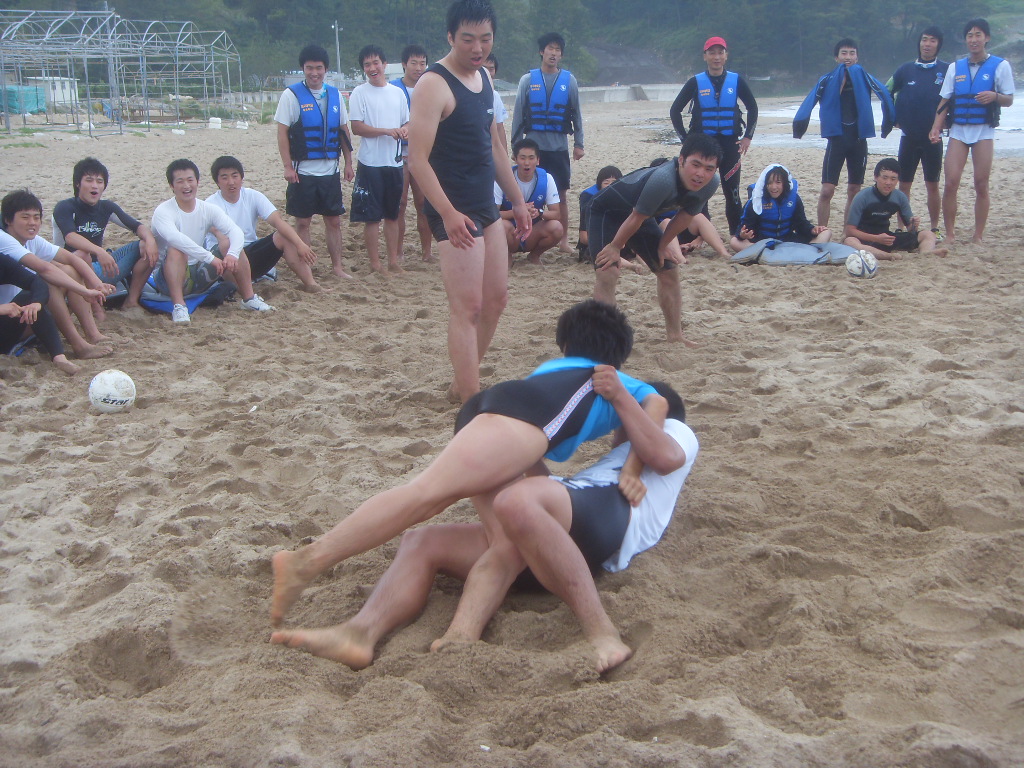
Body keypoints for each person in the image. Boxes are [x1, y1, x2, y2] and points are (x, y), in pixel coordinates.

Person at [269, 300, 666, 631]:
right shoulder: (617, 381)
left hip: (492, 409)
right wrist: (631, 470)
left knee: (504, 545)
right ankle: (307, 561)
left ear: (565, 344)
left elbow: (528, 453)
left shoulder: (550, 371)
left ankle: (377, 633)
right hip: (513, 422)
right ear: (618, 356)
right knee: (424, 496)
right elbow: (655, 421)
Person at [272, 381, 698, 674]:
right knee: (423, 541)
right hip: (564, 526)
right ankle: (360, 633)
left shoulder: (677, 430)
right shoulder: (618, 458)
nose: (617, 430)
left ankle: (602, 633)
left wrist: (628, 409)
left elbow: (663, 456)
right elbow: (550, 487)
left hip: (608, 519)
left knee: (517, 499)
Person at [406, 0, 532, 404]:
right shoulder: (433, 84)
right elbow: (416, 159)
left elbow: (493, 145)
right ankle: (471, 401)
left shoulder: (484, 79)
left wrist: (517, 200)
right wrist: (446, 213)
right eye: (468, 39)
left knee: (496, 300)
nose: (478, 48)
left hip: (485, 205)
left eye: (485, 39)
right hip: (452, 207)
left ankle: (463, 382)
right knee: (468, 307)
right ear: (450, 37)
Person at [589, 133, 722, 343]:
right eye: (695, 165)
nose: (700, 174)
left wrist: (662, 244)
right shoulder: (663, 179)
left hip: (640, 216)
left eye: (709, 168)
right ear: (681, 160)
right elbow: (635, 217)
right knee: (608, 271)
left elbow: (685, 216)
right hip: (606, 211)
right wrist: (615, 246)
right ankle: (605, 339)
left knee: (668, 271)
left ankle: (675, 336)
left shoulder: (711, 183)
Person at [150, 159, 274, 324]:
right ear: (172, 186)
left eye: (190, 180)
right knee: (177, 249)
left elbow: (235, 231)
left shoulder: (207, 209)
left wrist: (232, 254)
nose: (186, 186)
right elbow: (175, 239)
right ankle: (179, 306)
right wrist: (210, 258)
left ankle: (249, 299)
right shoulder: (163, 211)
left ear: (197, 182)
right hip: (167, 279)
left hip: (199, 274)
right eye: (180, 181)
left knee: (229, 244)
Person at [929, 18, 1015, 245]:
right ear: (965, 39)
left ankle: (978, 235)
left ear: (986, 38)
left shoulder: (1000, 65)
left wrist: (994, 96)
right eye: (970, 35)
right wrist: (936, 127)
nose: (974, 39)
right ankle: (949, 234)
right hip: (959, 130)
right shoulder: (955, 68)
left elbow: (1009, 99)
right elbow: (944, 100)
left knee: (981, 183)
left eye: (978, 35)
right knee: (951, 182)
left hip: (983, 131)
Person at [0, 189, 113, 360]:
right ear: (8, 220)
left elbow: (71, 258)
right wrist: (85, 291)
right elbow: (45, 269)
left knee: (69, 270)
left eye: (36, 217)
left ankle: (92, 334)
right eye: (25, 217)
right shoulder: (3, 239)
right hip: (10, 317)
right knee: (47, 281)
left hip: (28, 311)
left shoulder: (32, 240)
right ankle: (79, 345)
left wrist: (97, 284)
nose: (32, 223)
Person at [794, 38, 895, 228]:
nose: (848, 57)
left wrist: (889, 121)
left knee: (854, 190)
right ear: (836, 57)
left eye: (852, 53)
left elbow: (884, 94)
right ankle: (822, 230)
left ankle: (848, 232)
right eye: (844, 53)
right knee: (827, 190)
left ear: (857, 57)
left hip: (858, 139)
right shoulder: (827, 80)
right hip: (837, 140)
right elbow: (810, 101)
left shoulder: (864, 77)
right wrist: (799, 126)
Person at [275, 44, 355, 278]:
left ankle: (337, 267)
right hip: (303, 171)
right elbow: (282, 133)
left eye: (319, 68)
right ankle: (306, 268)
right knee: (303, 222)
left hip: (330, 170)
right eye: (309, 68)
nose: (314, 73)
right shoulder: (291, 95)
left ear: (326, 69)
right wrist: (287, 166)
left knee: (334, 221)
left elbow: (343, 131)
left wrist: (348, 163)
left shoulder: (335, 95)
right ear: (303, 69)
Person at [669, 36, 758, 235]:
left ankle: (736, 234)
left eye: (720, 53)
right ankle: (700, 234)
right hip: (703, 146)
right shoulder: (695, 82)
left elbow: (752, 107)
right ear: (705, 56)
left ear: (726, 56)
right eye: (712, 53)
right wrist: (685, 140)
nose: (716, 57)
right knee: (699, 192)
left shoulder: (736, 80)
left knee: (732, 193)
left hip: (729, 144)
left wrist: (747, 137)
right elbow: (675, 110)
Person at [51, 157, 160, 309]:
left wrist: (151, 241)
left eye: (99, 181)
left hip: (101, 267)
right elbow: (70, 237)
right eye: (89, 180)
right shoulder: (65, 207)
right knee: (83, 253)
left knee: (145, 246)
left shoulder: (106, 207)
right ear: (78, 183)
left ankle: (131, 300)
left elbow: (137, 226)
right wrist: (100, 251)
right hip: (72, 268)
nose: (94, 185)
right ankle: (94, 305)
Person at [510, 32, 585, 253]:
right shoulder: (527, 80)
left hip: (558, 148)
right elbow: (518, 115)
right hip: (533, 149)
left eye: (557, 50)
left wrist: (579, 144)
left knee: (561, 195)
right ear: (542, 52)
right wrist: (516, 146)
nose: (553, 53)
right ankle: (524, 233)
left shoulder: (569, 81)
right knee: (526, 194)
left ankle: (563, 241)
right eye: (550, 49)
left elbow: (576, 114)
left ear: (561, 55)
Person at [204, 156, 323, 293]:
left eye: (234, 176)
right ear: (217, 181)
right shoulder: (210, 204)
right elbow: (220, 236)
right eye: (224, 178)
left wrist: (300, 244)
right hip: (225, 260)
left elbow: (278, 222)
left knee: (284, 236)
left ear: (241, 178)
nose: (231, 182)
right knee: (227, 245)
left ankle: (311, 284)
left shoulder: (252, 196)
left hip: (249, 254)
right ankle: (241, 291)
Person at [349, 45, 411, 275]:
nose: (372, 68)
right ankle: (375, 264)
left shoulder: (397, 93)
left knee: (392, 215)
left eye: (376, 63)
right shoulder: (359, 93)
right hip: (370, 163)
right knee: (372, 217)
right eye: (367, 65)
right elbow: (357, 127)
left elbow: (407, 121)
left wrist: (404, 130)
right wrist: (386, 131)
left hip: (394, 162)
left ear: (384, 64)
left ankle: (393, 261)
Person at [887, 27, 949, 235]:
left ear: (938, 45)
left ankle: (934, 227)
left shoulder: (946, 70)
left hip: (933, 138)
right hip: (909, 137)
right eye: (924, 40)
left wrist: (949, 121)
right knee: (904, 184)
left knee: (932, 184)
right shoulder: (905, 70)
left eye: (932, 40)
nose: (927, 44)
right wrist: (893, 118)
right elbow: (886, 91)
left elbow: (953, 98)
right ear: (919, 43)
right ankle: (901, 227)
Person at [843, 158, 947, 260]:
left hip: (887, 239)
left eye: (893, 179)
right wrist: (876, 238)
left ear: (897, 180)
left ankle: (926, 252)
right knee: (850, 241)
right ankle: (887, 256)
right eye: (884, 178)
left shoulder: (899, 197)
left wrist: (914, 224)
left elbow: (910, 230)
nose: (888, 182)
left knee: (928, 234)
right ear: (876, 177)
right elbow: (850, 230)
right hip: (865, 239)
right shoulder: (862, 197)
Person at [391, 44, 434, 262]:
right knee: (399, 205)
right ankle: (398, 252)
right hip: (399, 153)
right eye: (414, 63)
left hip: (423, 154)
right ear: (404, 64)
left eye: (422, 63)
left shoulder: (430, 88)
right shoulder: (392, 89)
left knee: (424, 204)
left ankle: (427, 252)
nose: (418, 68)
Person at [730, 164, 831, 251]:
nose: (773, 187)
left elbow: (800, 223)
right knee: (734, 241)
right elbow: (744, 227)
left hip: (787, 240)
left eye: (778, 182)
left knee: (826, 232)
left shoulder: (794, 199)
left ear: (784, 183)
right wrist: (742, 235)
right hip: (762, 242)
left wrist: (812, 230)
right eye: (769, 183)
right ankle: (765, 253)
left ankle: (805, 251)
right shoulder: (756, 201)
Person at [495, 138, 562, 265]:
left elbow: (556, 214)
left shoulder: (547, 179)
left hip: (533, 231)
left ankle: (534, 255)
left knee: (556, 227)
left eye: (531, 158)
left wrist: (539, 212)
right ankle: (506, 255)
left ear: (538, 160)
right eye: (522, 158)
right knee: (500, 226)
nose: (527, 163)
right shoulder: (502, 179)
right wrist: (519, 210)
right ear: (515, 159)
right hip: (510, 231)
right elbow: (492, 214)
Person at [577, 165, 621, 263]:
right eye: (606, 183)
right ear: (599, 185)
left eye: (614, 182)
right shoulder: (590, 202)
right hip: (595, 242)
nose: (610, 186)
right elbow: (584, 238)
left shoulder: (623, 199)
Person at [483, 53, 509, 153]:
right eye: (483, 68)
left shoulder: (495, 96)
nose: (487, 72)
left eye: (491, 69)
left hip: (491, 152)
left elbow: (499, 128)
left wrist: (505, 155)